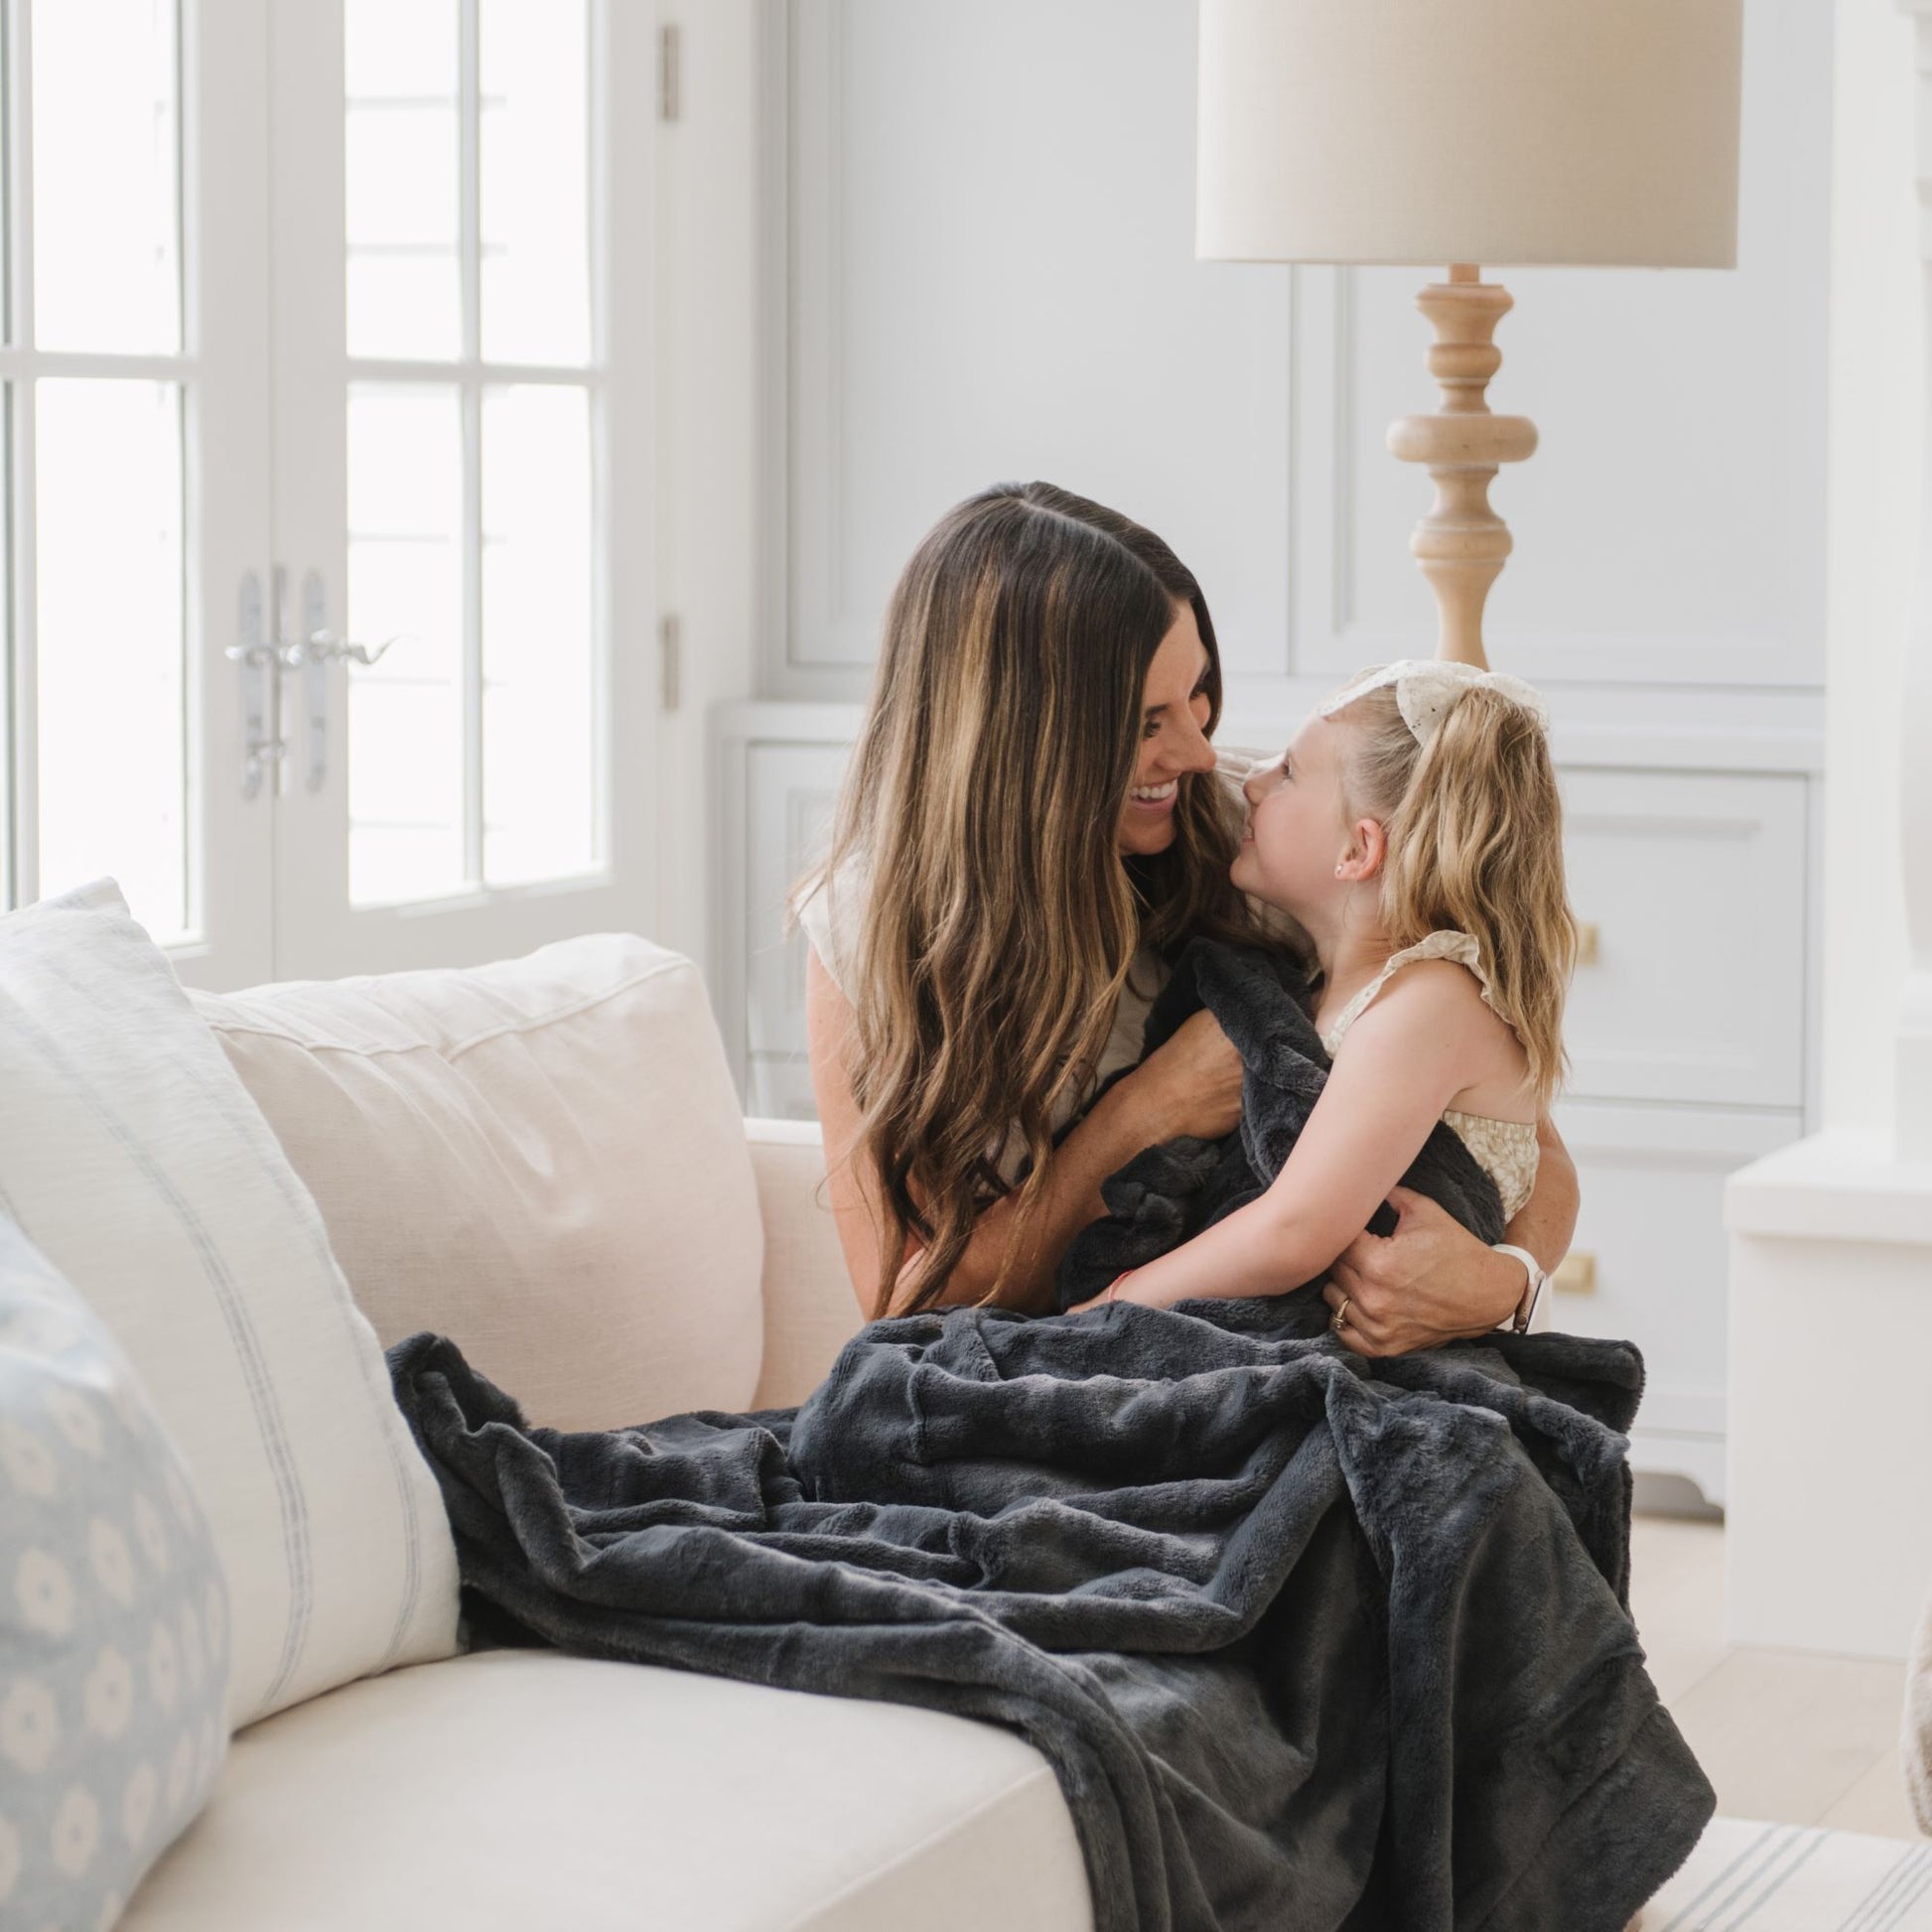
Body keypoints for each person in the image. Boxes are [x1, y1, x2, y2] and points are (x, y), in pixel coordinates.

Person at [794, 482, 1578, 1350]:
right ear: (1024, 746)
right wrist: (1146, 1112)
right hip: (1064, 1368)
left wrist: (1503, 1285)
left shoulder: (1267, 841)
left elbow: (1523, 1141)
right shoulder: (868, 926)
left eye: (1199, 690)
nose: (1204, 752)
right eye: (1145, 722)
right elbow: (899, 1303)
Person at [1068, 658, 1573, 1331]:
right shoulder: (1327, 992)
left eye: (1289, 773)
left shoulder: (1430, 1003)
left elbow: (1292, 1230)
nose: (1251, 782)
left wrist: (1104, 1311)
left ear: (1357, 852)